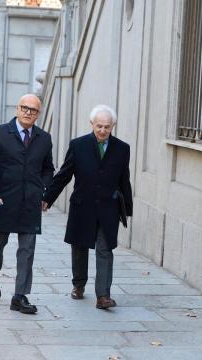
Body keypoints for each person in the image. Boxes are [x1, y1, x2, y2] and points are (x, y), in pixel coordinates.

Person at [42, 104, 132, 309]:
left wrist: (127, 206)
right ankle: (79, 284)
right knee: (80, 247)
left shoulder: (122, 148)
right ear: (91, 124)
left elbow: (124, 179)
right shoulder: (78, 145)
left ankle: (103, 295)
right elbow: (64, 174)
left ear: (113, 126)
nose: (102, 131)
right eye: (99, 126)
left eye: (107, 127)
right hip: (83, 205)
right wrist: (48, 197)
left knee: (105, 249)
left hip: (109, 207)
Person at [0, 94, 54, 314]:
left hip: (30, 203)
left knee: (27, 250)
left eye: (33, 110)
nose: (28, 112)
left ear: (38, 114)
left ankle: (20, 296)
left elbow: (48, 168)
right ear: (17, 109)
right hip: (2, 201)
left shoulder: (44, 138)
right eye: (25, 108)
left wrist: (44, 190)